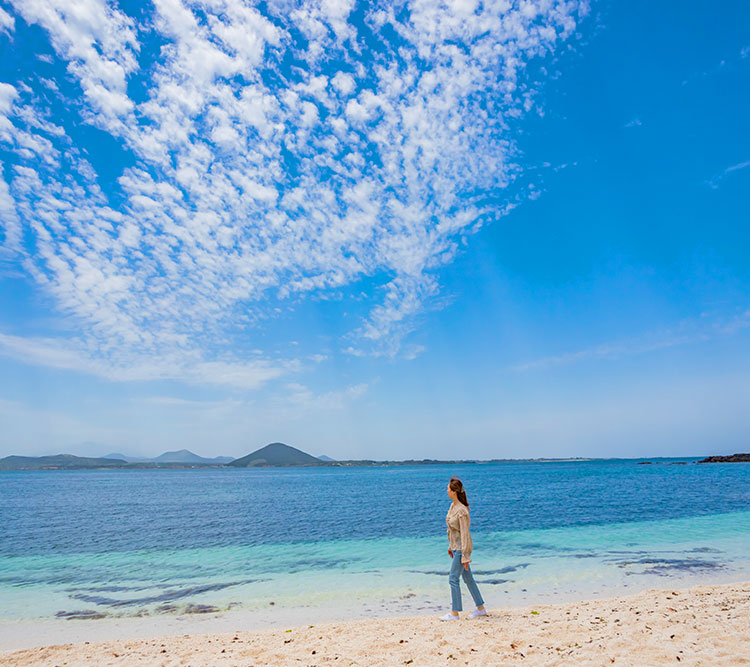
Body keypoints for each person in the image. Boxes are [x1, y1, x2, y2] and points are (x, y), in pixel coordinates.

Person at [440, 476, 486, 620]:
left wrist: (465, 556)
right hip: (455, 548)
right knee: (468, 579)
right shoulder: (453, 506)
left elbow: (465, 534)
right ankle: (480, 608)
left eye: (448, 488)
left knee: (453, 579)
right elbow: (454, 531)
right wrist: (450, 546)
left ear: (454, 491)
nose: (446, 490)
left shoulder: (462, 511)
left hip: (461, 550)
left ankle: (454, 613)